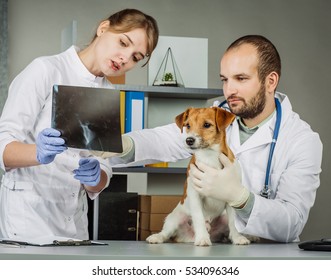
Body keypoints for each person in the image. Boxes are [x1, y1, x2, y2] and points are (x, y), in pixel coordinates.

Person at [108, 35, 323, 243]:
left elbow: (292, 223)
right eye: (225, 79)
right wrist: (118, 145)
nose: (229, 90)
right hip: (216, 250)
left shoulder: (301, 140)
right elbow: (162, 140)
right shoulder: (214, 115)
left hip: (268, 255)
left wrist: (240, 198)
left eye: (241, 78)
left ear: (270, 81)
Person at [0, 8, 159, 241]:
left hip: (74, 221)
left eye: (136, 57)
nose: (126, 58)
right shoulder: (45, 70)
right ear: (103, 28)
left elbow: (103, 163)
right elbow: (2, 146)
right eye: (123, 43)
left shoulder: (108, 93)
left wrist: (96, 179)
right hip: (28, 218)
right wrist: (38, 152)